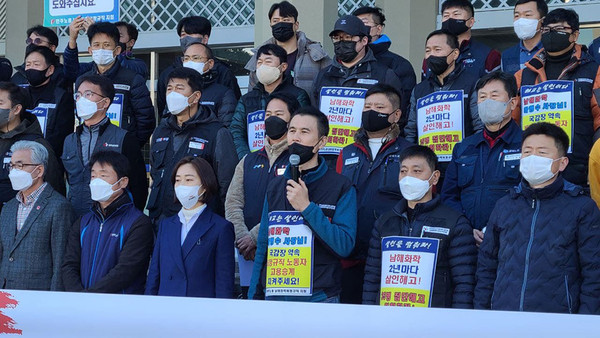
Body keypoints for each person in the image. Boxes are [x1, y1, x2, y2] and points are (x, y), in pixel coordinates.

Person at [474, 122, 600, 314]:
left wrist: (584, 323)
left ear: (562, 162)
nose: (533, 158)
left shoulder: (581, 207)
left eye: (542, 152)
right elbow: (487, 267)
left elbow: (594, 272)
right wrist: (481, 315)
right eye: (527, 152)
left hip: (558, 320)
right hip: (503, 317)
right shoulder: (505, 205)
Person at [248, 106, 357, 303]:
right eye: (292, 131)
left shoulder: (341, 187)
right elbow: (264, 243)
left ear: (322, 141)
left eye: (304, 132)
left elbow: (344, 246)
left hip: (319, 298)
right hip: (275, 296)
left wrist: (307, 208)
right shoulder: (275, 185)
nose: (296, 138)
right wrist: (253, 296)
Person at [362, 145, 477, 308]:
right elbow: (372, 278)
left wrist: (456, 323)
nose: (408, 177)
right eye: (403, 171)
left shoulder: (454, 222)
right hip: (389, 318)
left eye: (417, 171)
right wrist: (370, 314)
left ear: (435, 177)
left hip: (434, 321)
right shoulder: (385, 222)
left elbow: (464, 283)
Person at [336, 84, 411, 304]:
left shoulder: (408, 152)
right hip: (349, 253)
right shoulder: (347, 152)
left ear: (395, 115)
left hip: (389, 253)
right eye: (367, 106)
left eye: (379, 106)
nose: (371, 111)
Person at [512, 8, 600, 187]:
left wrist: (594, 163)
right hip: (533, 170)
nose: (551, 34)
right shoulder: (524, 75)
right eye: (547, 30)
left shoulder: (594, 71)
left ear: (575, 35)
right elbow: (513, 121)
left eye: (560, 29)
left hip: (578, 171)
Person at [225, 92, 298, 298]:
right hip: (247, 253)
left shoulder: (296, 161)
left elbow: (290, 204)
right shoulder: (249, 160)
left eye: (278, 114)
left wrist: (255, 237)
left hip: (283, 252)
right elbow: (233, 201)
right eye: (268, 114)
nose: (271, 119)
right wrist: (242, 238)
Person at [442, 71, 522, 245]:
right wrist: (465, 228)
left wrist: (497, 227)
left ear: (513, 102)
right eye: (482, 97)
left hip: (511, 239)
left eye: (494, 95)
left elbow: (530, 193)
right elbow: (449, 195)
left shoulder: (526, 145)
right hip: (467, 240)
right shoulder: (463, 148)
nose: (487, 102)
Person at [147, 67, 237, 222]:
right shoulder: (161, 131)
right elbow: (155, 173)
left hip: (201, 221)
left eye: (179, 88)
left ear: (196, 96)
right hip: (161, 220)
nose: (172, 93)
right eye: (170, 89)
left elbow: (227, 184)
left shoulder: (216, 132)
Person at [62, 151, 154, 294]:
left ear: (123, 181)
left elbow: (126, 269)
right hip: (81, 304)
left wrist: (91, 295)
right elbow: (69, 264)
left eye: (103, 175)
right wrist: (77, 294)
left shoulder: (138, 223)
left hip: (119, 307)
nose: (96, 181)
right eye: (93, 176)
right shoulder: (83, 222)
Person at [146, 157, 234, 298]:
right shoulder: (166, 225)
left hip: (200, 310)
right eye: (178, 180)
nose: (182, 185)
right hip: (165, 308)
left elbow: (224, 281)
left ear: (204, 186)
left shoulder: (220, 228)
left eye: (188, 180)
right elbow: (154, 274)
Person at [405, 30, 481, 191]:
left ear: (454, 54)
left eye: (437, 50)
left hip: (463, 168)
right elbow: (411, 131)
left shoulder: (472, 83)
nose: (431, 55)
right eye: (428, 51)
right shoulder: (419, 90)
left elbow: (479, 127)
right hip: (428, 172)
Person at [62, 74, 148, 216]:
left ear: (105, 102)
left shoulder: (124, 138)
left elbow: (139, 186)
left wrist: (130, 220)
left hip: (113, 219)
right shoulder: (69, 141)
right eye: (78, 95)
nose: (81, 100)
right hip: (74, 217)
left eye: (88, 94)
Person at [65, 21, 155, 147]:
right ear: (90, 50)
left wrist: (129, 146)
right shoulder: (83, 80)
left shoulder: (132, 79)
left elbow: (146, 120)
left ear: (117, 50)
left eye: (106, 45)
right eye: (96, 45)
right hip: (88, 147)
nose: (101, 49)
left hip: (120, 151)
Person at [0, 141, 75, 291]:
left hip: (38, 296)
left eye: (20, 165)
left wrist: (54, 300)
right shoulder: (8, 208)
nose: (14, 171)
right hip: (6, 295)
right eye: (12, 166)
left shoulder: (58, 206)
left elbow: (60, 261)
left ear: (39, 170)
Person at [230, 44, 310, 159]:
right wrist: (247, 158)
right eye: (259, 62)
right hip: (254, 160)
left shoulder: (298, 95)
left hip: (286, 158)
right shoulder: (246, 99)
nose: (262, 67)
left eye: (268, 62)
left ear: (283, 67)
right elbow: (236, 130)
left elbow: (303, 127)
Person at [244, 1, 331, 104]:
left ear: (296, 25)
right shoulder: (260, 56)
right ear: (271, 24)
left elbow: (328, 89)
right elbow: (252, 94)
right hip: (271, 116)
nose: (280, 24)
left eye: (286, 20)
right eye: (275, 21)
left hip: (306, 115)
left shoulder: (316, 54)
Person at [157, 16, 242, 114]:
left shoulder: (222, 72)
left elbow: (234, 109)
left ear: (205, 39)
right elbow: (163, 109)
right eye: (183, 34)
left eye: (191, 33)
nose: (186, 38)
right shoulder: (168, 74)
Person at [312, 15, 402, 107]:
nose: (341, 42)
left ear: (364, 41)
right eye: (337, 38)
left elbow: (397, 114)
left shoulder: (384, 75)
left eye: (348, 37)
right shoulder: (323, 75)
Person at [0, 81, 64, 211]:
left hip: (23, 222)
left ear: (17, 109)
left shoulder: (36, 144)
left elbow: (53, 190)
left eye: (0, 103)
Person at [353, 6, 416, 119]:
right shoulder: (344, 62)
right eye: (356, 25)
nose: (360, 29)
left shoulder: (398, 64)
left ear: (379, 29)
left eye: (364, 24)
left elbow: (405, 106)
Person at [423, 0, 501, 79]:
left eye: (456, 14)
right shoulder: (431, 55)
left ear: (471, 22)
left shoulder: (489, 55)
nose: (450, 19)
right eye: (446, 15)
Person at [23, 46, 74, 159]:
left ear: (50, 70)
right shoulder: (18, 95)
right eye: (28, 64)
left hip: (48, 159)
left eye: (36, 65)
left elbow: (62, 135)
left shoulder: (62, 97)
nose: (31, 68)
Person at [63, 17, 148, 79]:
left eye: (119, 36)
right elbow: (72, 73)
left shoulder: (138, 65)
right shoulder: (93, 67)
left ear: (131, 42)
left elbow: (119, 66)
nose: (102, 47)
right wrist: (72, 39)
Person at [181, 42, 236, 127]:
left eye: (196, 58)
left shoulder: (223, 93)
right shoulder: (176, 91)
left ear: (210, 63)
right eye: (186, 58)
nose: (190, 62)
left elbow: (227, 129)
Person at [501, 0, 547, 75]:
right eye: (517, 16)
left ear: (542, 20)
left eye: (528, 15)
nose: (521, 20)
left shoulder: (552, 51)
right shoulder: (507, 55)